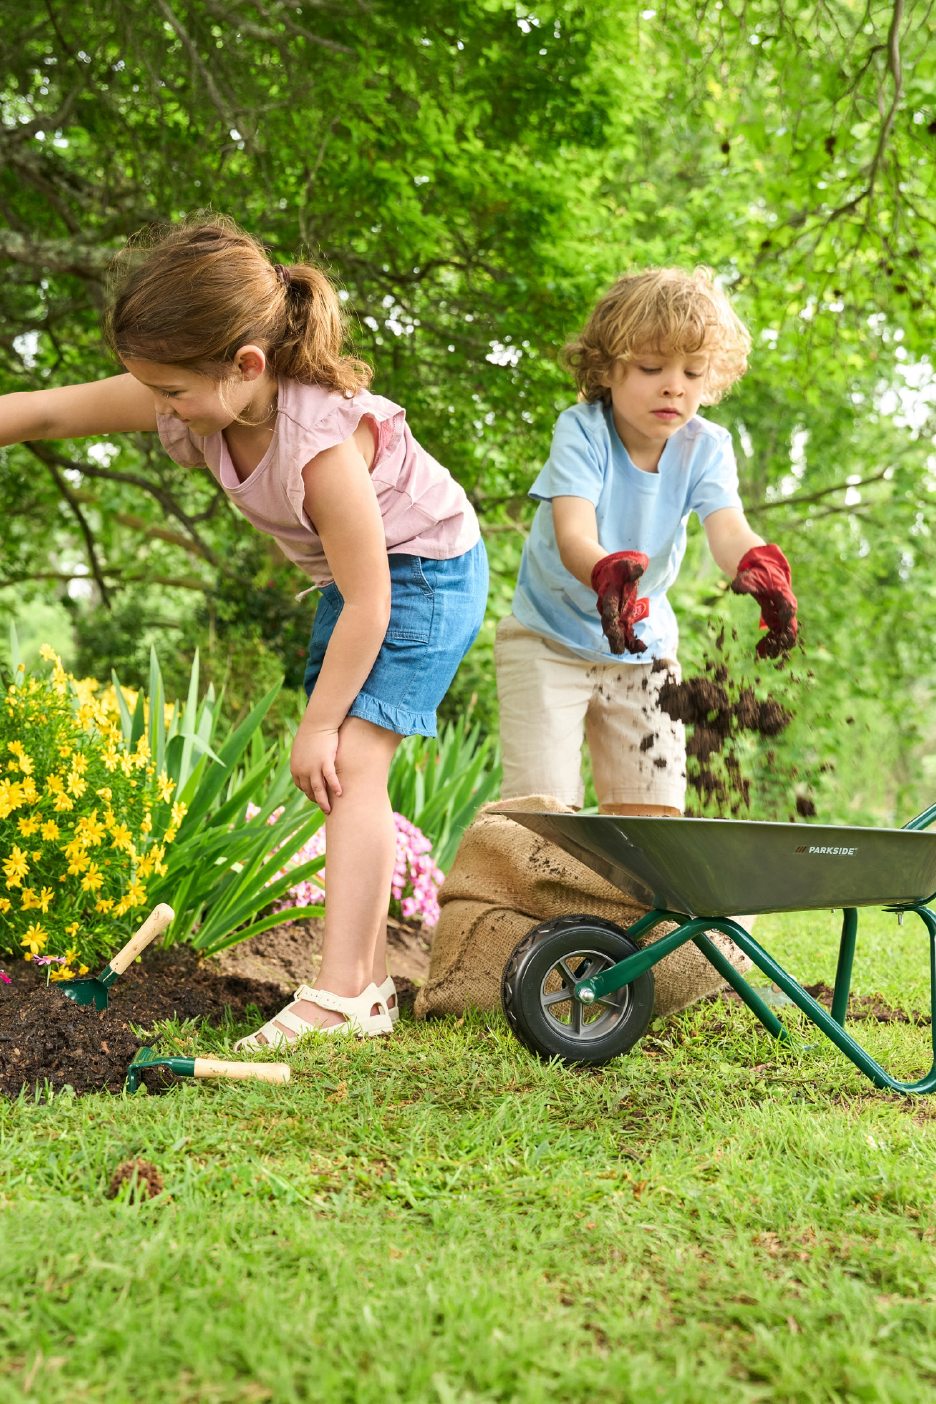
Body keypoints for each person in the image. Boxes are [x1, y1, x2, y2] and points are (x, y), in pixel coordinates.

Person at [0, 216, 487, 1044]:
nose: (159, 410)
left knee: (348, 765)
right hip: (361, 583)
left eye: (168, 393)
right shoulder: (198, 395)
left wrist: (320, 721)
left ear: (246, 366)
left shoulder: (320, 448)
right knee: (343, 774)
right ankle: (365, 990)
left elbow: (373, 605)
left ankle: (337, 996)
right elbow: (41, 413)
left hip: (426, 576)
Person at [495, 266, 797, 814]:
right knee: (540, 812)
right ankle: (540, 903)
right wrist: (605, 571)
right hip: (548, 640)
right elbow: (573, 533)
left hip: (644, 650)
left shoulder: (707, 447)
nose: (674, 386)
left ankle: (636, 906)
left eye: (694, 372)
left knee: (653, 813)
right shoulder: (582, 430)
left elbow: (726, 527)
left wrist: (756, 565)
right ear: (608, 369)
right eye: (652, 366)